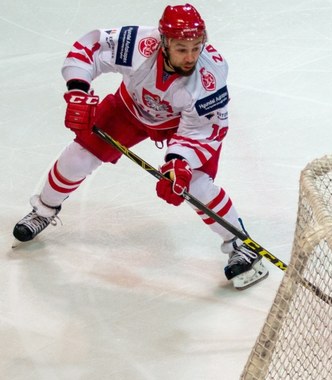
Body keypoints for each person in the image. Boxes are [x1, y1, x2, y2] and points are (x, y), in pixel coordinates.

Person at [12, 3, 268, 290]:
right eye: (182, 48)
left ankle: (240, 244)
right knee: (77, 158)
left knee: (196, 185)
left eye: (196, 47)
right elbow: (91, 48)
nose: (191, 57)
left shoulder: (210, 77)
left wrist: (178, 163)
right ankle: (43, 210)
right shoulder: (138, 44)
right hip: (129, 108)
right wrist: (77, 91)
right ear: (164, 42)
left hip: (181, 126)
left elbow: (203, 130)